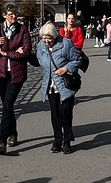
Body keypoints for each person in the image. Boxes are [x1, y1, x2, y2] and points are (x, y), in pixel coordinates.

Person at [0, 5, 33, 155]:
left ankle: (1, 140)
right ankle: (13, 133)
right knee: (8, 106)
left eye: (15, 14)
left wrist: (6, 53)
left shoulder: (22, 29)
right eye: (11, 14)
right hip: (0, 73)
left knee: (7, 105)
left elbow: (26, 51)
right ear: (4, 15)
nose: (14, 17)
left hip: (17, 73)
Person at [35, 21, 81, 154]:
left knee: (65, 113)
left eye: (48, 39)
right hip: (50, 85)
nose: (46, 42)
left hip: (65, 84)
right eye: (44, 39)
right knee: (55, 114)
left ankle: (67, 141)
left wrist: (66, 68)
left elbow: (77, 59)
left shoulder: (66, 43)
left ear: (54, 36)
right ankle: (57, 140)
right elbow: (38, 61)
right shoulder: (40, 46)